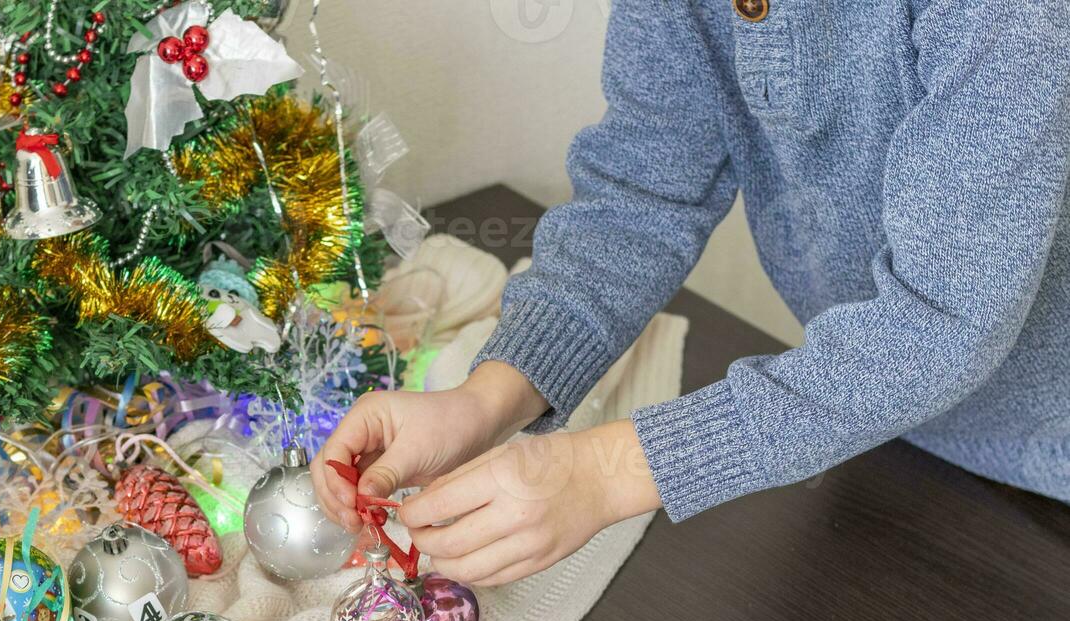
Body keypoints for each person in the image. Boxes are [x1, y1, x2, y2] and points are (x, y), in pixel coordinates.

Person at [312, 0, 1069, 586]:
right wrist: (489, 397)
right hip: (897, 429)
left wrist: (605, 473)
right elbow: (645, 190)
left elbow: (943, 317)